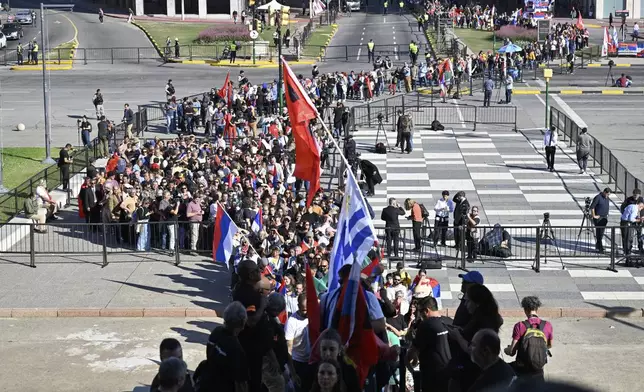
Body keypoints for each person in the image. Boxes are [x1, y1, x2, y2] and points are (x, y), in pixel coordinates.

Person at [447, 284, 503, 392]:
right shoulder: (484, 317)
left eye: (468, 301)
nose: (465, 305)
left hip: (471, 372)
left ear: (476, 303)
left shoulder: (482, 322)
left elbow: (471, 350)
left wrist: (458, 336)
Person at [232, 260, 272, 392]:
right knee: (253, 381)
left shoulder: (241, 288)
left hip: (251, 345)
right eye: (256, 270)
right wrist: (263, 304)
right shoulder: (250, 296)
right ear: (249, 276)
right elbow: (251, 321)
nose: (259, 272)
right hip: (251, 347)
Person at [193, 301, 249, 392]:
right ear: (242, 323)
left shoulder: (216, 332)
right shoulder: (236, 349)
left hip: (207, 383)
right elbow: (240, 383)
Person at [406, 296, 451, 392]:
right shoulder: (449, 321)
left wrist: (408, 360)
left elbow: (413, 351)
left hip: (432, 377)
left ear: (426, 311)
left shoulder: (425, 325)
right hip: (450, 375)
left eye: (421, 312)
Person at [504, 296, 553, 383]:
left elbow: (512, 352)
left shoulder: (520, 326)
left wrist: (506, 349)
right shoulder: (547, 325)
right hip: (538, 370)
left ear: (525, 309)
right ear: (537, 308)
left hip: (522, 369)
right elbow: (549, 345)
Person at [285, 293, 311, 392]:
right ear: (298, 306)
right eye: (304, 309)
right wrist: (293, 373)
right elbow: (289, 349)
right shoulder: (292, 322)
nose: (307, 312)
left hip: (312, 361)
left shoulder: (314, 317)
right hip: (298, 363)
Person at [590, 187, 611, 253]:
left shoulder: (607, 198)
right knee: (599, 233)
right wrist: (594, 215)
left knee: (601, 233)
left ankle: (598, 246)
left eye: (608, 195)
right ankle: (600, 247)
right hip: (599, 218)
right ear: (604, 192)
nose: (607, 196)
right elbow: (592, 207)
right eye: (607, 194)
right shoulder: (598, 197)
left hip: (604, 217)